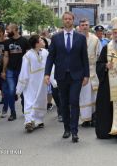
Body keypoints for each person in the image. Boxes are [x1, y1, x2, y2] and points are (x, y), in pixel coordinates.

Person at [44, 11, 89, 143]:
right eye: (66, 19)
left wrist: (86, 75)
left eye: (70, 19)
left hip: (76, 75)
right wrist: (47, 73)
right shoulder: (56, 38)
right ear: (63, 21)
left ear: (73, 21)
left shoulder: (80, 38)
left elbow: (84, 58)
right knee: (64, 103)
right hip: (61, 75)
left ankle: (74, 131)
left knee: (74, 101)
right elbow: (50, 57)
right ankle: (67, 129)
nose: (68, 21)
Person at [16, 35, 48, 132]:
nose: (43, 41)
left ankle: (38, 120)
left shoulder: (46, 53)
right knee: (29, 101)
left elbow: (51, 66)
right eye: (41, 40)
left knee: (41, 101)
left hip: (42, 83)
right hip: (31, 83)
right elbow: (24, 72)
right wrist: (19, 89)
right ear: (36, 43)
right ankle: (29, 122)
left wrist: (53, 81)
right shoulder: (28, 56)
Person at [2, 24, 30, 121]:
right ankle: (13, 113)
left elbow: (28, 56)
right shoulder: (7, 42)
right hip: (10, 70)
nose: (6, 31)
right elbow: (6, 56)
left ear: (14, 29)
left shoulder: (24, 41)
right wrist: (4, 70)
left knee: (22, 92)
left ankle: (24, 108)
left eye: (8, 29)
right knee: (11, 91)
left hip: (22, 71)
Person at [79, 18, 101, 127]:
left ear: (89, 26)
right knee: (84, 96)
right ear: (79, 26)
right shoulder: (76, 38)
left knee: (94, 95)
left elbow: (100, 55)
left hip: (93, 71)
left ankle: (94, 116)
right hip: (81, 72)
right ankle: (85, 118)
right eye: (82, 25)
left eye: (86, 24)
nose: (84, 27)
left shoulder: (95, 39)